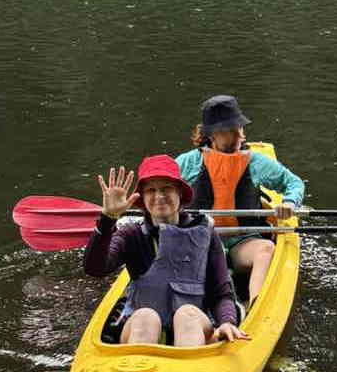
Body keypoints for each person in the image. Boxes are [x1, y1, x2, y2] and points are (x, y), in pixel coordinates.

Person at [83, 154, 249, 346]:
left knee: (186, 314)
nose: (159, 196)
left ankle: (188, 371)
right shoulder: (131, 235)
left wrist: (227, 322)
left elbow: (221, 292)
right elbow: (94, 268)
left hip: (194, 327)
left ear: (179, 193)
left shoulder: (206, 232)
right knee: (146, 317)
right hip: (142, 329)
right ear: (143, 198)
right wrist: (107, 219)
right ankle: (138, 371)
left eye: (166, 188)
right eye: (151, 190)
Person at [176, 95, 305, 300]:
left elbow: (294, 183)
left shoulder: (256, 163)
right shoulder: (188, 163)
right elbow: (161, 189)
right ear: (211, 135)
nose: (238, 135)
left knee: (266, 248)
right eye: (229, 130)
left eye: (239, 127)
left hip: (242, 240)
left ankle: (256, 305)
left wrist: (289, 202)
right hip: (199, 240)